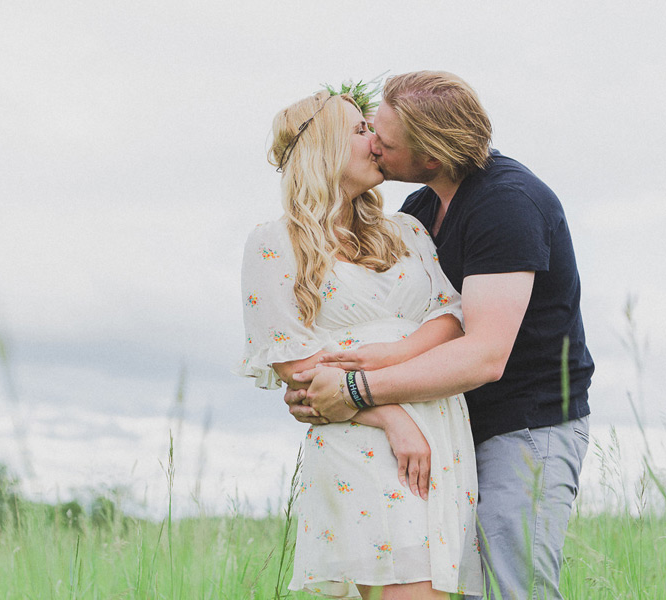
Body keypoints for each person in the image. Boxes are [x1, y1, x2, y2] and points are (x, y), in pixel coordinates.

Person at [286, 71, 593, 600]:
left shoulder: (507, 204)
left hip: (524, 426)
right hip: (448, 428)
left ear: (429, 157)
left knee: (513, 586)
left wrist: (356, 392)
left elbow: (484, 354)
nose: (372, 146)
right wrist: (319, 378)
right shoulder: (420, 211)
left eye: (383, 140)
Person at [236, 88, 483, 599]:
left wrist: (396, 353)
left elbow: (453, 317)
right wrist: (393, 418)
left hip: (442, 432)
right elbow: (297, 366)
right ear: (323, 148)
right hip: (365, 438)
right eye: (360, 130)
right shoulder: (273, 243)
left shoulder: (407, 230)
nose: (376, 141)